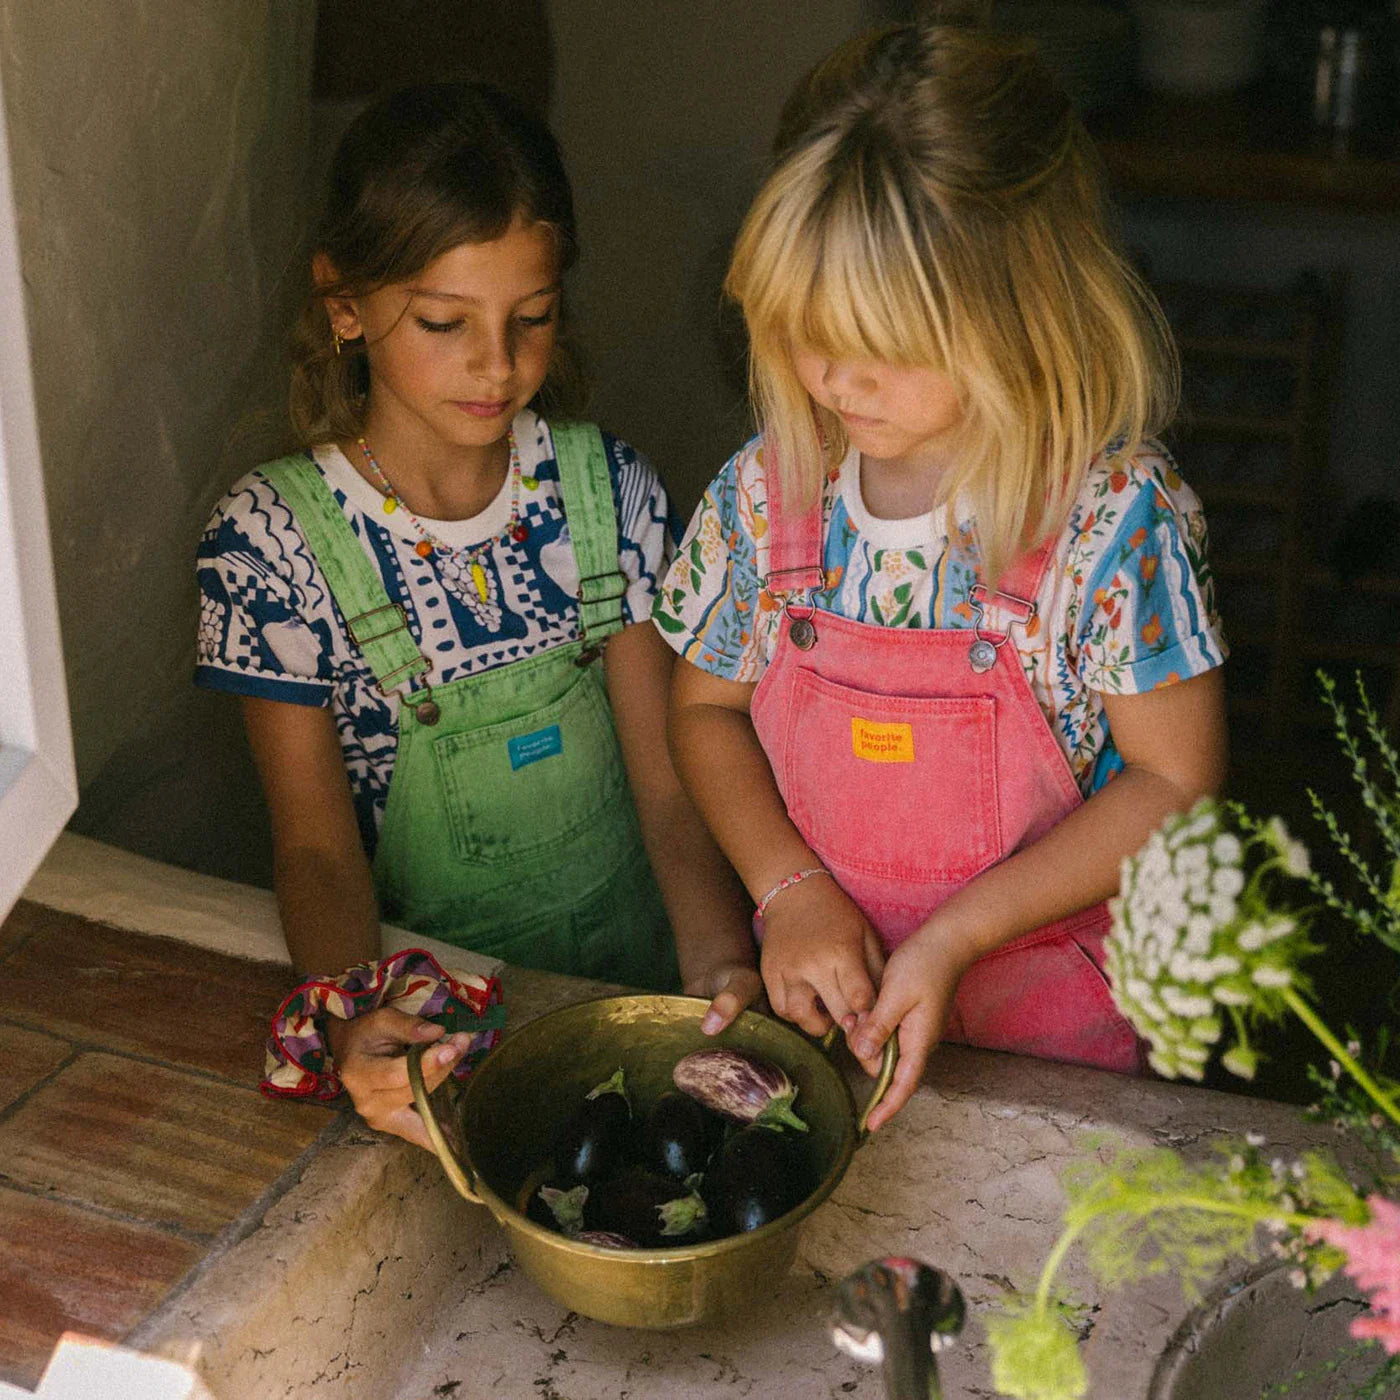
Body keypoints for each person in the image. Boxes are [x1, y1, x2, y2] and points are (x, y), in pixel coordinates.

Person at [657, 18, 1229, 1131]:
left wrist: (955, 934)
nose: (833, 379)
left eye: (887, 345)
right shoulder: (764, 493)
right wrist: (789, 888)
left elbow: (1172, 786)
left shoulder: (1112, 522)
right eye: (811, 331)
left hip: (1058, 1055)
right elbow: (701, 710)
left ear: (1019, 312)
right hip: (827, 1026)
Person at [196, 82, 750, 1146]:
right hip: (441, 1046)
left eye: (530, 318)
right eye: (445, 323)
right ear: (344, 302)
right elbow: (315, 852)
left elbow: (670, 792)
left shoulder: (608, 494)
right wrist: (360, 1017)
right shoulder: (272, 544)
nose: (496, 364)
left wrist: (720, 968)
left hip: (632, 999)